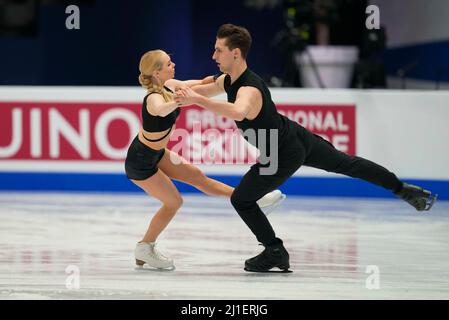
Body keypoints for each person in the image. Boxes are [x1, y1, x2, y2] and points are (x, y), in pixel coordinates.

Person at [174, 24, 437, 273]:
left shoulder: (250, 89)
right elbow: (200, 88)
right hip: (295, 136)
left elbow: (237, 110)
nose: (213, 55)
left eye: (218, 50)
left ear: (236, 53)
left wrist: (196, 99)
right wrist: (169, 88)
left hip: (279, 152)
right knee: (348, 164)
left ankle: (274, 251)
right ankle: (403, 190)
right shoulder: (230, 80)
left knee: (241, 199)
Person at [125, 49, 285, 270]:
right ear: (156, 72)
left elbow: (199, 83)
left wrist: (224, 78)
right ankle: (145, 247)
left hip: (157, 154)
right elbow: (160, 110)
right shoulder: (153, 98)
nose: (173, 65)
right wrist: (177, 101)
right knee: (174, 202)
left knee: (199, 178)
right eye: (169, 63)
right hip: (140, 160)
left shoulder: (170, 85)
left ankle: (254, 199)